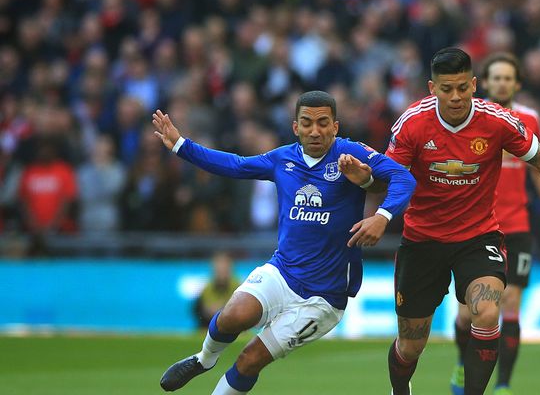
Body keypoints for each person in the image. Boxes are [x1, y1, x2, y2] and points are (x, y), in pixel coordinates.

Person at [352, 47, 540, 395]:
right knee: (411, 345)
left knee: (487, 312)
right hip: (422, 240)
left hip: (478, 238)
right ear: (433, 88)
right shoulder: (413, 123)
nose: (456, 96)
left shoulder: (498, 121)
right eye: (447, 89)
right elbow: (390, 178)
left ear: (474, 84)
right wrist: (366, 182)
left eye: (462, 87)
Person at [153, 90, 416, 395]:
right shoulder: (283, 159)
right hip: (283, 272)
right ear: (295, 127)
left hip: (322, 298)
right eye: (307, 123)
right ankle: (203, 359)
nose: (314, 131)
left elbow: (404, 178)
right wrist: (181, 146)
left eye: (322, 123)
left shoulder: (351, 154)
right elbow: (236, 165)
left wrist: (382, 216)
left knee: (249, 359)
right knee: (232, 316)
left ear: (335, 127)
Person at [449, 52, 540, 395]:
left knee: (510, 304)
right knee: (467, 314)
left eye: (507, 78)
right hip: (475, 227)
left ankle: (503, 386)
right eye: (495, 77)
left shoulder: (529, 119)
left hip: (516, 226)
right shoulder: (468, 117)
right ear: (484, 83)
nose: (500, 83)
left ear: (517, 84)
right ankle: (462, 362)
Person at [193, 252, 241, 330]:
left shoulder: (239, 287)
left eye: (224, 267)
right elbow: (198, 311)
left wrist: (221, 310)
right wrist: (207, 311)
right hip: (208, 326)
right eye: (219, 267)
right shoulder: (206, 288)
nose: (222, 270)